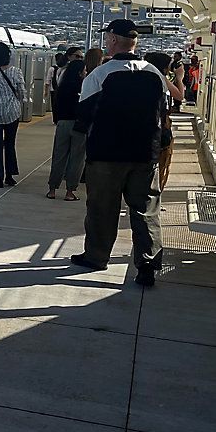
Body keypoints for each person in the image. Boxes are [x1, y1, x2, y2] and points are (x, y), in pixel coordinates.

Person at [70, 19, 168, 287]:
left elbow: (83, 117)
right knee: (145, 211)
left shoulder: (100, 75)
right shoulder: (155, 74)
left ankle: (97, 256)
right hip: (145, 156)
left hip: (106, 155)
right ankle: (147, 264)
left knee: (102, 208)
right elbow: (163, 114)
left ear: (112, 39)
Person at [0, 41, 26, 188]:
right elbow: (22, 93)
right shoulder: (16, 71)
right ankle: (10, 176)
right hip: (13, 112)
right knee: (10, 143)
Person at [47, 55, 87, 201]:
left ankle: (52, 189)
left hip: (63, 123)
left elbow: (56, 106)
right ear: (79, 72)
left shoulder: (62, 86)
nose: (85, 73)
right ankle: (70, 191)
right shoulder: (84, 87)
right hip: (79, 125)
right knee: (77, 159)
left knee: (59, 156)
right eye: (84, 71)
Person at [145, 52, 185, 192]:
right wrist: (179, 78)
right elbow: (180, 95)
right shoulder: (161, 78)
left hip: (146, 127)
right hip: (161, 128)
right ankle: (155, 195)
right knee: (162, 165)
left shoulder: (143, 77)